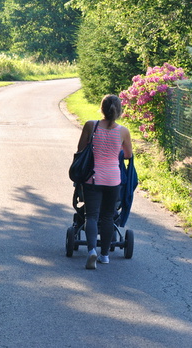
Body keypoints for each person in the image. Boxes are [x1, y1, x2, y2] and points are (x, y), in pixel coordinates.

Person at [76, 94, 133, 269]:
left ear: (101, 109)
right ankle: (105, 255)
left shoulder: (90, 126)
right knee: (108, 217)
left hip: (93, 178)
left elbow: (80, 149)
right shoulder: (123, 131)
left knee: (91, 216)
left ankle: (92, 250)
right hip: (113, 179)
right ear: (119, 111)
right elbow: (128, 155)